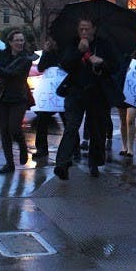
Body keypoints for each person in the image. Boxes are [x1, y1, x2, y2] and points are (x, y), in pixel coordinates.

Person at [54, 18, 120, 180]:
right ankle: (62, 163)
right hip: (76, 92)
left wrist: (101, 62)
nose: (84, 32)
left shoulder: (104, 44)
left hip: (97, 92)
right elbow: (64, 64)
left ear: (94, 29)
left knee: (97, 129)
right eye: (81, 29)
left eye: (87, 29)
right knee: (71, 126)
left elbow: (115, 66)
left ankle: (94, 163)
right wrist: (78, 52)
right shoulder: (73, 43)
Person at [0, 28, 36, 174]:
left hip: (18, 98)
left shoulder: (26, 59)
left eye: (22, 40)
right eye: (17, 40)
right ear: (10, 42)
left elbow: (10, 74)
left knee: (14, 128)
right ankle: (9, 164)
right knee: (4, 131)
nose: (20, 43)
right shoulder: (4, 55)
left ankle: (22, 145)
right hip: (1, 97)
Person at [33, 37, 65, 162]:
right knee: (42, 120)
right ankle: (41, 148)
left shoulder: (66, 50)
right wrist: (46, 52)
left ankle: (73, 148)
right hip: (49, 93)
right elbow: (40, 68)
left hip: (63, 90)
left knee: (68, 122)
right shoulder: (49, 52)